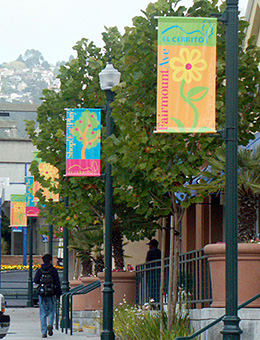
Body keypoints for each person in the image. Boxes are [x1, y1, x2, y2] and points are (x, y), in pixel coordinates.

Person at [34, 254, 62, 338]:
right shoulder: (53, 270)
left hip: (42, 294)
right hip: (51, 293)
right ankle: (50, 324)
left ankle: (44, 331)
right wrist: (58, 294)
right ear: (50, 261)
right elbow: (57, 282)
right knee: (51, 310)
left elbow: (35, 280)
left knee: (42, 313)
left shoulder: (40, 270)